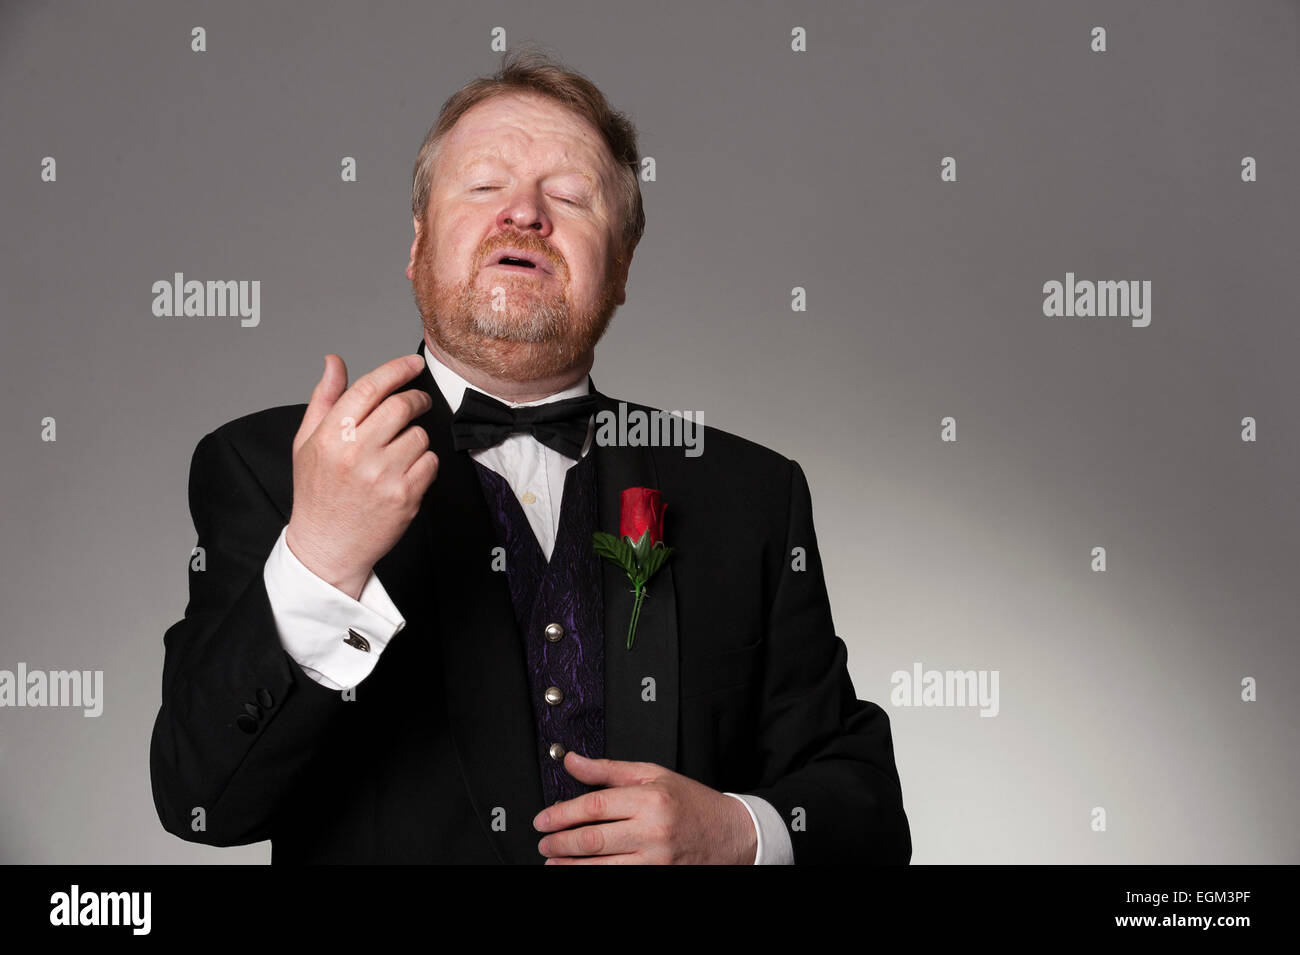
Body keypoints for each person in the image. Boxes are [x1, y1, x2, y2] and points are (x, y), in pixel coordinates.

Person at [149, 49, 911, 864]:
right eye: (483, 186)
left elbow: (866, 810)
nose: (524, 213)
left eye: (572, 197)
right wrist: (323, 556)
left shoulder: (750, 494)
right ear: (418, 246)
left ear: (619, 270)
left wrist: (735, 829)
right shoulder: (268, 466)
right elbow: (200, 799)